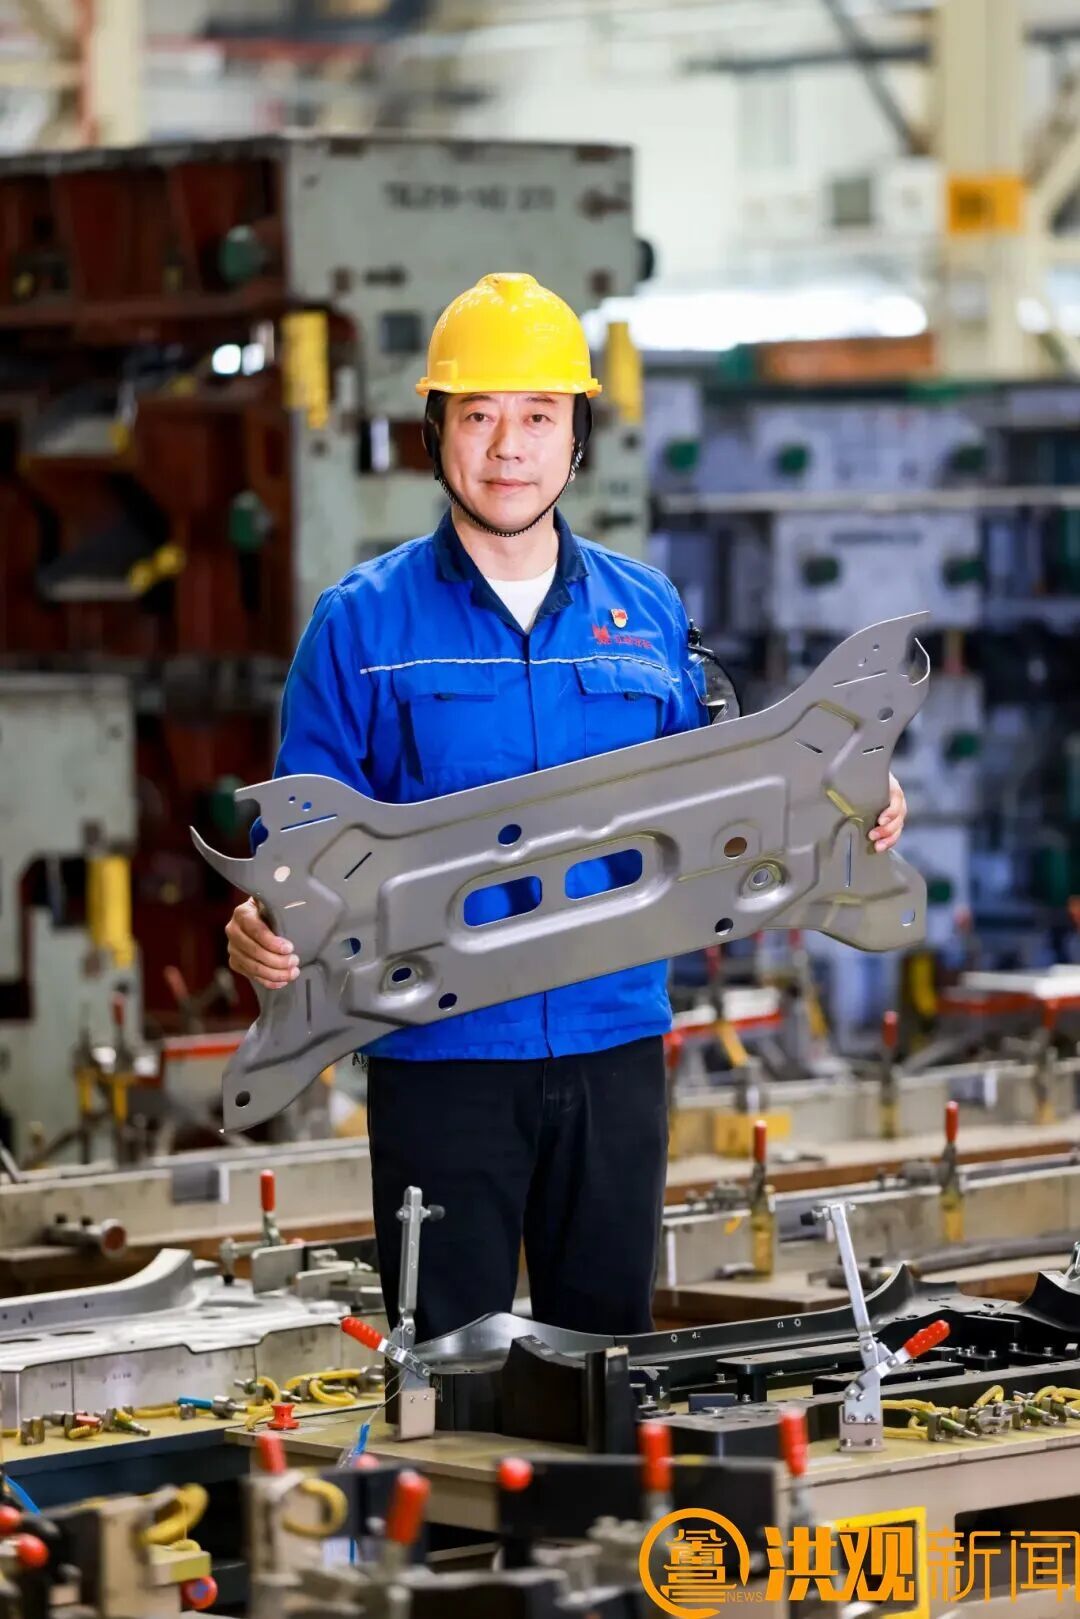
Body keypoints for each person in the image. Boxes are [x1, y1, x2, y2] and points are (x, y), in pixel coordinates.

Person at [225, 272, 908, 1342]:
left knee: (607, 1361)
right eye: (480, 415)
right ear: (436, 430)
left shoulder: (646, 611)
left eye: (540, 415)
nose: (510, 448)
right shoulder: (360, 625)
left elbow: (727, 791)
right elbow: (299, 854)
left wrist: (848, 800)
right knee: (446, 1373)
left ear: (577, 436)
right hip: (438, 1060)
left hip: (614, 1047)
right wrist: (263, 927)